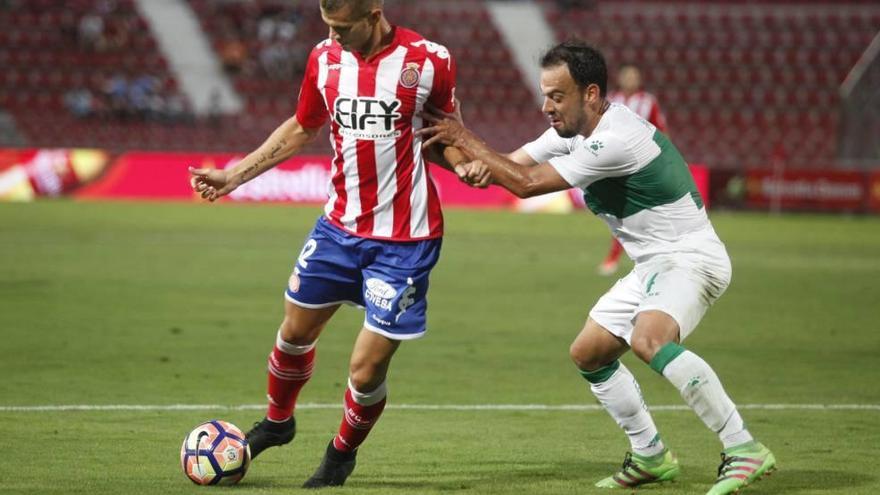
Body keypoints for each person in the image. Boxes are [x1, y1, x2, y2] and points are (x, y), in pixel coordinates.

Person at [417, 41, 776, 495]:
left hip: (690, 258)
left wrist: (466, 140)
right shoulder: (568, 132)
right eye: (545, 94)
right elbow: (509, 167)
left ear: (590, 94)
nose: (547, 106)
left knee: (650, 340)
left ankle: (742, 446)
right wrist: (455, 155)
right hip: (653, 263)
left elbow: (525, 184)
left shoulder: (615, 138)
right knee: (589, 353)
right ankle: (650, 455)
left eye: (557, 96)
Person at [189, 0, 463, 488]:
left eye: (343, 28)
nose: (335, 37)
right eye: (328, 27)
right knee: (293, 332)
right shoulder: (324, 58)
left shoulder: (429, 60)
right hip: (338, 229)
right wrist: (234, 177)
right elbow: (302, 126)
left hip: (405, 242)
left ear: (374, 12)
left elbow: (446, 133)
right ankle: (278, 422)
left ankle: (340, 455)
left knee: (364, 370)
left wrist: (467, 164)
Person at [598, 63, 669, 276]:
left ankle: (637, 257)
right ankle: (618, 256)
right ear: (620, 78)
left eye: (634, 76)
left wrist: (666, 159)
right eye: (626, 75)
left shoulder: (648, 102)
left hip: (642, 163)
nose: (630, 79)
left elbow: (661, 132)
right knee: (619, 212)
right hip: (614, 164)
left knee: (640, 213)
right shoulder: (609, 100)